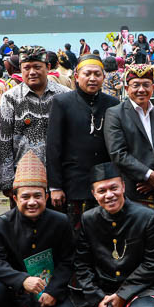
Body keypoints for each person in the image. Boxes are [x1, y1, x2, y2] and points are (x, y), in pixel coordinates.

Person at [0, 152, 79, 307]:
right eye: (25, 197)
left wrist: (53, 291)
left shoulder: (61, 221)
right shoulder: (0, 225)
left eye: (37, 196)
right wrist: (22, 280)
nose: (32, 202)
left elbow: (67, 260)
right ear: (15, 198)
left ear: (46, 196)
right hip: (13, 288)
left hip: (47, 285)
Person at [75, 163, 154, 307]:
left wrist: (122, 296)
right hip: (106, 289)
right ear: (94, 194)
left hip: (143, 287)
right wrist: (98, 298)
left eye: (114, 188)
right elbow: (82, 264)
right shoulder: (88, 219)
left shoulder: (148, 217)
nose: (109, 195)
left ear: (123, 187)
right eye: (102, 191)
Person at [47, 54, 120, 230]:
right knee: (75, 235)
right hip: (73, 183)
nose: (92, 78)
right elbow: (53, 146)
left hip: (105, 184)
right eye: (87, 74)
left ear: (103, 77)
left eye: (97, 74)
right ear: (77, 76)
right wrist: (55, 186)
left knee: (104, 233)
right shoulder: (62, 102)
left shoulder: (113, 103)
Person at [0, 46, 70, 196]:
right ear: (20, 69)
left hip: (61, 179)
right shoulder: (10, 98)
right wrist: (7, 182)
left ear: (48, 67)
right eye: (27, 68)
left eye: (37, 67)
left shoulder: (64, 95)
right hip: (24, 181)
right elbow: (2, 142)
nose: (32, 72)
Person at [104, 63, 154, 222]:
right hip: (133, 189)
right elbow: (118, 153)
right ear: (127, 88)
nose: (141, 89)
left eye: (146, 85)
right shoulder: (115, 114)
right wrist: (148, 175)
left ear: (153, 88)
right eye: (136, 85)